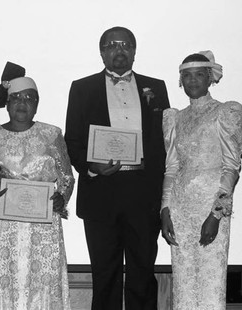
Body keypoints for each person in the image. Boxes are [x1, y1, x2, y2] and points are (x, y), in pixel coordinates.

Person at [64, 26, 170, 310]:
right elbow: (72, 140)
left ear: (134, 51)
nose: (119, 50)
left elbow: (164, 140)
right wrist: (91, 165)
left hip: (143, 193)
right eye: (111, 45)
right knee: (104, 274)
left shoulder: (156, 87)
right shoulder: (82, 87)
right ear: (101, 52)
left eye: (125, 44)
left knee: (143, 273)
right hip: (101, 192)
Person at [0, 63, 74, 309]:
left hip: (43, 227)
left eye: (29, 98)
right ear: (7, 103)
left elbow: (67, 177)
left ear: (37, 104)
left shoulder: (51, 134)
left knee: (42, 284)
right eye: (16, 98)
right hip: (4, 227)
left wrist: (62, 197)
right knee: (6, 281)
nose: (22, 103)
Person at [160, 50, 242, 309]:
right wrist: (164, 209)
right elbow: (172, 166)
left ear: (210, 78)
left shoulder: (226, 112)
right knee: (184, 280)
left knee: (210, 278)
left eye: (199, 75)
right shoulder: (175, 117)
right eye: (186, 76)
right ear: (180, 80)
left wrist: (216, 213)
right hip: (180, 207)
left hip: (210, 205)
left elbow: (232, 166)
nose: (192, 80)